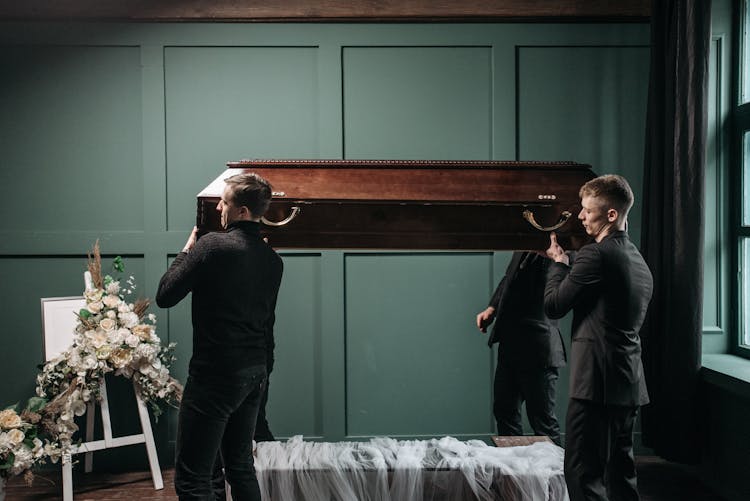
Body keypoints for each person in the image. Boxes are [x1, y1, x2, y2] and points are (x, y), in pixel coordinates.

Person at [156, 172, 283, 501]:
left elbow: (165, 294)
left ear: (241, 210)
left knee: (193, 478)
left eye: (224, 202)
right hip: (254, 373)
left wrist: (187, 250)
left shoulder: (212, 247)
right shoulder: (273, 260)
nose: (218, 209)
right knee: (240, 467)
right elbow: (267, 325)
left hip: (216, 376)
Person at [543, 174, 653, 501]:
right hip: (629, 384)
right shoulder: (639, 262)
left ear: (611, 215)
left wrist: (559, 265)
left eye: (587, 210)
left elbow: (553, 306)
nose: (580, 216)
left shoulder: (595, 255)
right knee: (622, 476)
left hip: (596, 387)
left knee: (583, 474)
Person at [476, 251, 566, 446]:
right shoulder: (524, 243)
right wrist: (492, 309)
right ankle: (514, 473)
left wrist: (555, 257)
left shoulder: (562, 249)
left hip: (539, 349)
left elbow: (557, 291)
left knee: (543, 422)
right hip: (510, 343)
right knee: (504, 412)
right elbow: (510, 278)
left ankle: (556, 476)